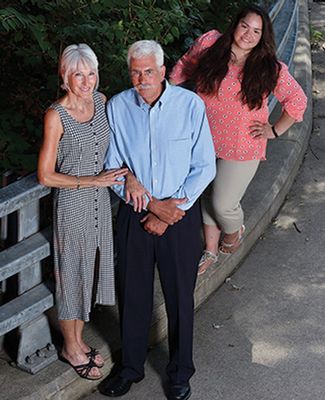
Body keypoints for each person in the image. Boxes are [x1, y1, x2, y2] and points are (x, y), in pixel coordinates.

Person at [99, 40, 216, 400]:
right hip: (135, 215)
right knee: (132, 293)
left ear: (163, 71)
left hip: (179, 214)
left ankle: (180, 372)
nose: (141, 78)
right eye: (135, 71)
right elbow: (112, 167)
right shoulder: (118, 107)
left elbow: (204, 165)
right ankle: (130, 367)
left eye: (148, 71)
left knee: (180, 296)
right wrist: (152, 207)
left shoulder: (189, 105)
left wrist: (170, 211)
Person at [170, 4, 307, 275]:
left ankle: (234, 230)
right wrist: (170, 92)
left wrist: (274, 130)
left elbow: (298, 100)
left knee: (223, 202)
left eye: (256, 31)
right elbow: (186, 65)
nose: (248, 34)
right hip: (204, 138)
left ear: (263, 36)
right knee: (206, 195)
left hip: (242, 145)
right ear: (236, 24)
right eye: (245, 26)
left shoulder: (269, 67)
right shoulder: (210, 45)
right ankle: (210, 250)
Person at [37, 44, 128, 380]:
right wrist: (93, 179)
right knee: (72, 276)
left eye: (91, 73)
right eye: (78, 74)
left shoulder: (101, 102)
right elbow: (45, 175)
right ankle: (71, 347)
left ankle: (77, 339)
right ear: (65, 77)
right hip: (73, 204)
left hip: (101, 204)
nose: (86, 81)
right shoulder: (56, 115)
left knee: (88, 273)